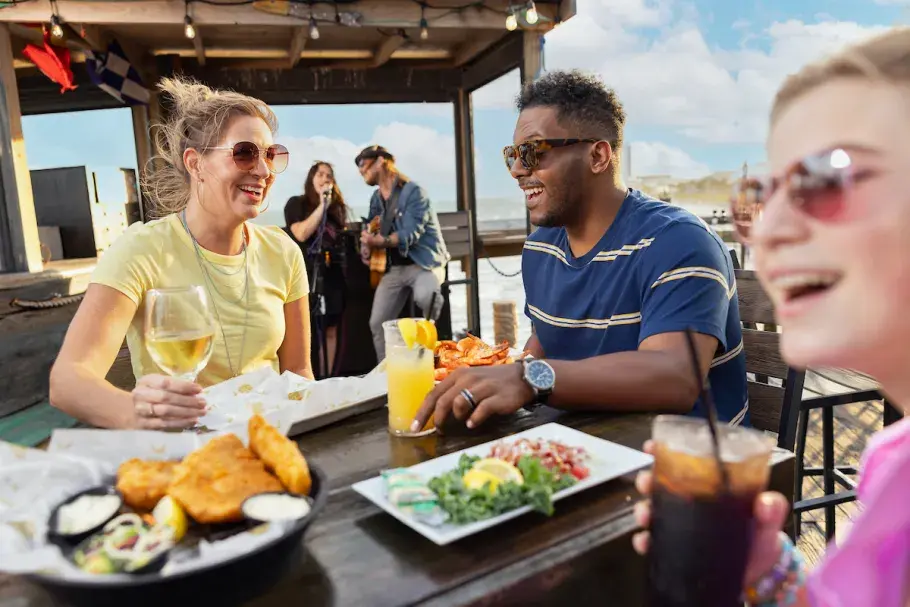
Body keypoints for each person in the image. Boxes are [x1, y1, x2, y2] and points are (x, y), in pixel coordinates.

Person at [634, 28, 910, 606]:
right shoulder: (894, 466)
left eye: (826, 177)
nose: (770, 229)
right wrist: (764, 567)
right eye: (764, 191)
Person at [414, 70, 748, 432]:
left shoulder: (678, 241)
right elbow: (545, 343)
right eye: (512, 154)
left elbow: (675, 378)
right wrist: (498, 380)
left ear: (598, 156)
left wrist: (529, 378)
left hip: (690, 465)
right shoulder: (541, 248)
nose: (516, 169)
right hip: (590, 446)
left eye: (533, 151)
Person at [48, 76, 313, 430]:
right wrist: (141, 414)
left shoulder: (283, 252)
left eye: (270, 154)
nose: (264, 171)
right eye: (245, 153)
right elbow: (68, 381)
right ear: (195, 163)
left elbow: (298, 373)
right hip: (182, 448)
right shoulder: (142, 249)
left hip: (270, 441)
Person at [356, 145, 448, 360]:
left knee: (426, 297)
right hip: (395, 268)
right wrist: (366, 246)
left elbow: (410, 233)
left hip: (425, 263)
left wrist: (380, 241)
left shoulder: (414, 192)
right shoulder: (376, 199)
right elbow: (372, 226)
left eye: (364, 165)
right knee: (377, 322)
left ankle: (428, 362)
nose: (361, 171)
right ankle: (386, 374)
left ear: (380, 161)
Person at [284, 161, 350, 376]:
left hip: (332, 274)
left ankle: (328, 376)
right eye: (320, 174)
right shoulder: (296, 204)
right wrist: (322, 206)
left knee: (331, 328)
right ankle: (309, 376)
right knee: (309, 329)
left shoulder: (337, 209)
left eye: (329, 176)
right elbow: (301, 233)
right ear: (312, 177)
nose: (324, 179)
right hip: (307, 275)